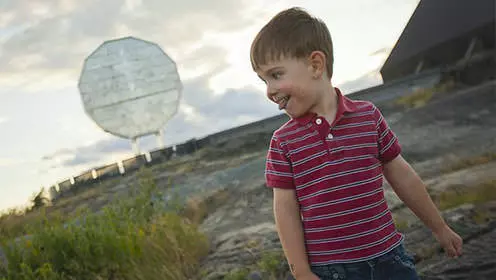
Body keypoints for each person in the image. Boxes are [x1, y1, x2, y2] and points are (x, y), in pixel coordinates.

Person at [249, 7, 463, 280]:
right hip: (332, 271)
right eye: (263, 80)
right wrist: (300, 271)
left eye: (276, 75)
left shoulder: (367, 116)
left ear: (315, 65)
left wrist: (439, 228)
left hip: (389, 258)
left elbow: (403, 176)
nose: (269, 90)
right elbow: (285, 210)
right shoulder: (283, 142)